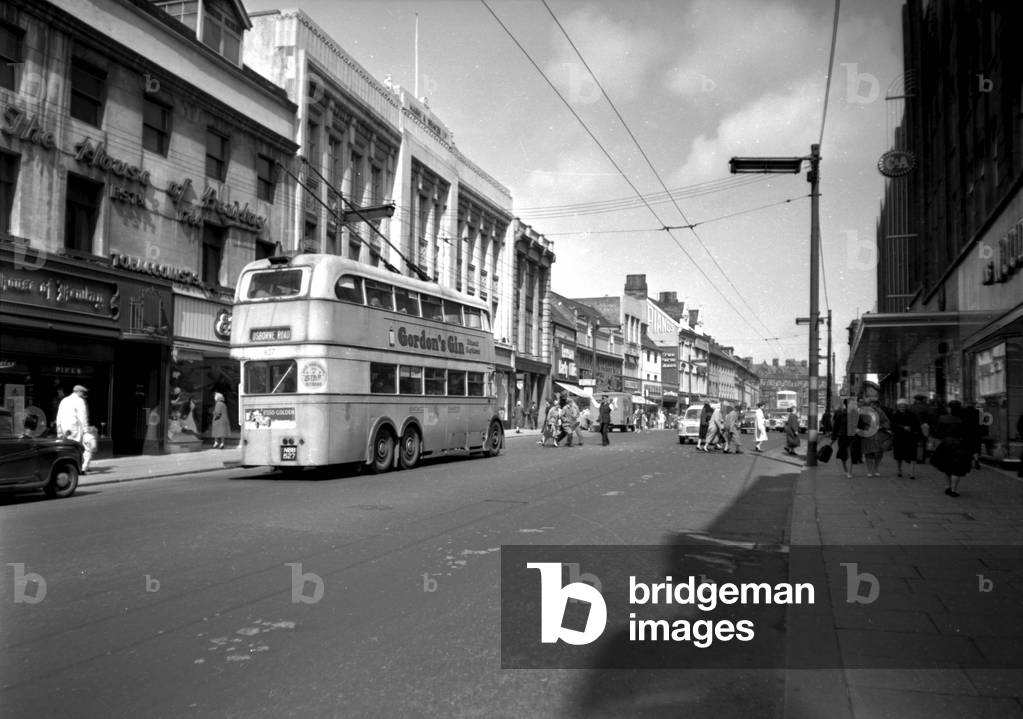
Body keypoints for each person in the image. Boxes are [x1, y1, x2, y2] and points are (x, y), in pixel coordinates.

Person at [930, 400, 973, 497]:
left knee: (947, 466)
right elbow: (969, 433)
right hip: (961, 445)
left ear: (950, 408)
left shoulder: (943, 418)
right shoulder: (964, 419)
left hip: (946, 444)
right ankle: (954, 489)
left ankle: (948, 486)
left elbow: (937, 433)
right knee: (957, 468)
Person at [857, 385, 892, 477]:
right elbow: (858, 423)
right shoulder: (863, 411)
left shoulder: (880, 412)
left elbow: (886, 422)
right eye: (872, 404)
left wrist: (881, 427)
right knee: (868, 453)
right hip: (867, 435)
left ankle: (876, 468)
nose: (873, 406)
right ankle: (869, 470)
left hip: (878, 435)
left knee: (879, 453)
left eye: (875, 404)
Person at [56, 385, 91, 473]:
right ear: (78, 392)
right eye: (83, 393)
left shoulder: (64, 400)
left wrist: (59, 431)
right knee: (80, 448)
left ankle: (67, 467)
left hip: (65, 429)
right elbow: (83, 417)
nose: (84, 395)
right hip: (76, 429)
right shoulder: (80, 401)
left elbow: (58, 417)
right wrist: (86, 431)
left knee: (67, 448)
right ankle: (80, 468)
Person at [831, 398, 862, 478]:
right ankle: (845, 470)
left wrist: (859, 429)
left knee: (852, 453)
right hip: (842, 437)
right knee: (843, 455)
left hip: (852, 437)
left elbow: (860, 424)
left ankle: (850, 471)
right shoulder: (841, 414)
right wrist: (833, 438)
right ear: (847, 405)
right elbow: (836, 427)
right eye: (851, 404)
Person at [891, 398, 922, 479]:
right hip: (899, 438)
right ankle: (899, 470)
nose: (902, 407)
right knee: (899, 456)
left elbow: (917, 426)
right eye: (900, 406)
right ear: (898, 407)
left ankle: (911, 473)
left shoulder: (912, 415)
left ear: (906, 406)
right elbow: (892, 426)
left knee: (912, 456)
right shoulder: (895, 415)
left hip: (910, 438)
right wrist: (902, 427)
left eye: (904, 406)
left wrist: (915, 433)